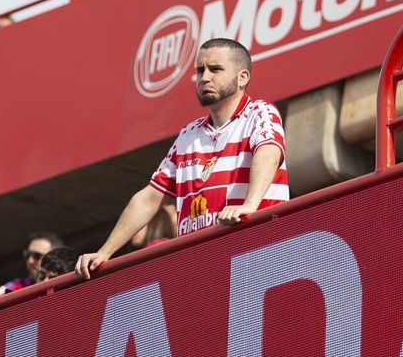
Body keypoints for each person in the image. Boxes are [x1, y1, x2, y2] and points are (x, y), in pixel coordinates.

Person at [78, 39, 287, 279]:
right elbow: (150, 197)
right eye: (200, 71)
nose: (204, 78)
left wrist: (250, 205)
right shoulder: (188, 134)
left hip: (255, 252)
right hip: (200, 267)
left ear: (242, 78)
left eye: (215, 69)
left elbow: (268, 151)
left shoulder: (260, 112)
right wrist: (105, 252)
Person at [0, 232, 64, 295]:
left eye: (37, 256)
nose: (30, 261)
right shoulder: (20, 284)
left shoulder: (68, 282)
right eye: (27, 254)